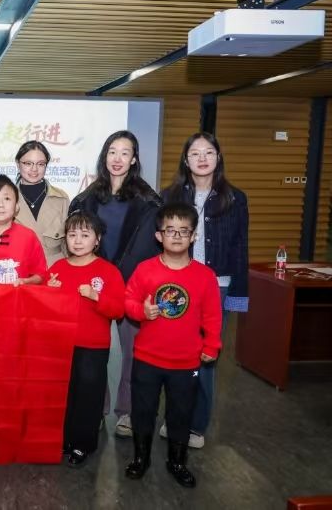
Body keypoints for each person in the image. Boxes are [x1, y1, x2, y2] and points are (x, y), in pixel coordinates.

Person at [68, 130, 162, 438]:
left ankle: (127, 412)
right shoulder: (87, 199)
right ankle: (95, 408)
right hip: (94, 285)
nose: (117, 158)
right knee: (92, 353)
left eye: (125, 152)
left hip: (133, 286)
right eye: (112, 151)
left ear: (134, 159)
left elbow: (152, 248)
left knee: (133, 354)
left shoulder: (149, 201)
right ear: (104, 156)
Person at [124, 202, 222, 488]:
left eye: (184, 231)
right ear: (159, 236)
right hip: (147, 358)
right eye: (170, 230)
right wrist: (142, 311)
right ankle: (141, 458)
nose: (177, 236)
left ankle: (177, 462)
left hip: (186, 361)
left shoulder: (205, 276)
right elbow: (128, 301)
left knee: (181, 413)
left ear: (193, 236)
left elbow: (213, 316)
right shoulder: (145, 270)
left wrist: (212, 346)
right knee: (143, 410)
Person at [161, 132, 249, 449]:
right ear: (186, 160)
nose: (202, 158)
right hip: (177, 284)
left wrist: (238, 300)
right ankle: (174, 419)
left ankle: (197, 425)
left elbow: (240, 247)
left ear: (218, 157)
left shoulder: (235, 198)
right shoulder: (170, 195)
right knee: (173, 355)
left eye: (208, 152)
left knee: (205, 356)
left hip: (217, 286)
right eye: (195, 153)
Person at [47, 211, 124, 468]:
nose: (78, 241)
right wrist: (49, 292)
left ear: (97, 239)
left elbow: (118, 310)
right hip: (60, 345)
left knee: (88, 396)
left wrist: (96, 296)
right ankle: (63, 439)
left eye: (85, 235)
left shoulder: (108, 271)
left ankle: (83, 443)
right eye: (72, 235)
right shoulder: (57, 269)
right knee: (63, 394)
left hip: (93, 346)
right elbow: (43, 309)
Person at [14, 141, 70, 266]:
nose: (34, 169)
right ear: (18, 164)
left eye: (40, 164)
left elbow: (68, 243)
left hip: (55, 268)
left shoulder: (61, 198)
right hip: (20, 268)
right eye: (28, 163)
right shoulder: (7, 198)